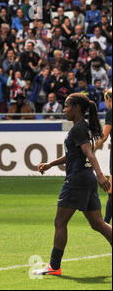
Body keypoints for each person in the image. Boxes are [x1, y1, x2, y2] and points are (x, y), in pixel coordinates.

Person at [35, 93, 112, 276]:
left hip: (76, 181)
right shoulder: (85, 127)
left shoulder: (78, 129)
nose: (64, 110)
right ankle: (54, 266)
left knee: (60, 222)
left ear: (77, 108)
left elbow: (89, 153)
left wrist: (101, 175)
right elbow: (75, 153)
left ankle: (54, 266)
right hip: (87, 180)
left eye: (67, 106)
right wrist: (51, 164)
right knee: (98, 223)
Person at [93, 89, 112, 224]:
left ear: (109, 100)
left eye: (105, 100)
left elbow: (104, 136)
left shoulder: (111, 113)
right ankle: (106, 221)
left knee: (111, 191)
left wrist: (91, 148)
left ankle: (105, 222)